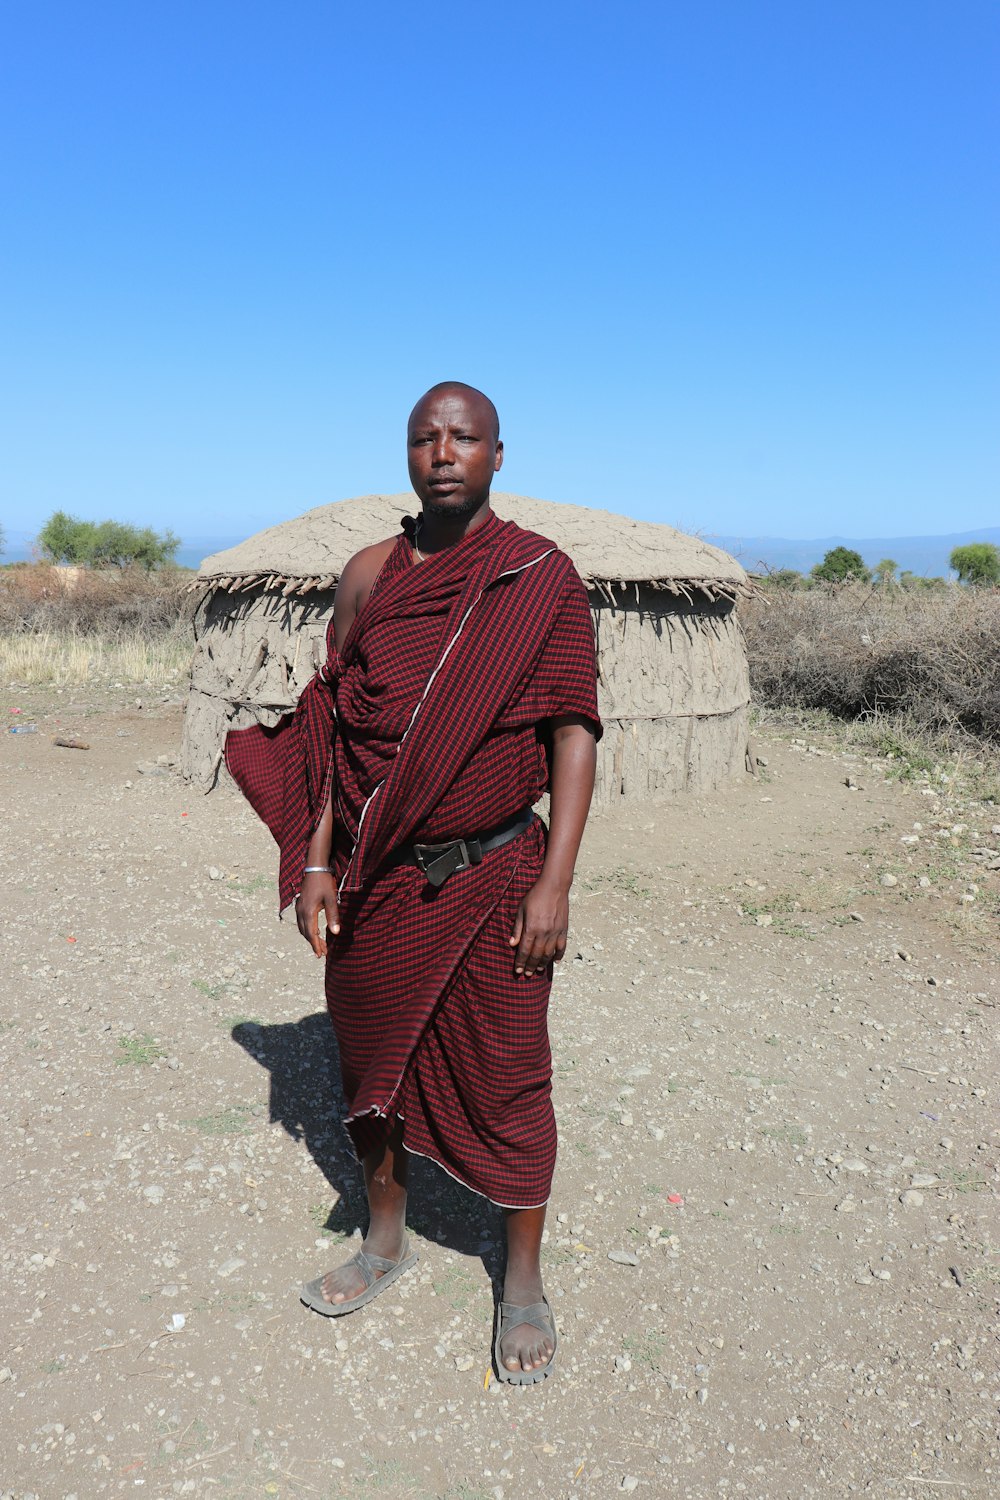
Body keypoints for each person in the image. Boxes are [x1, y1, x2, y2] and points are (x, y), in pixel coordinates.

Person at [226, 382, 600, 1383]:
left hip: (495, 874)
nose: (443, 453)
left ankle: (519, 1279)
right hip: (373, 878)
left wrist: (553, 882)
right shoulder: (366, 577)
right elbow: (330, 733)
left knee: (511, 1076)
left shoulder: (538, 577)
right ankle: (383, 1240)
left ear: (497, 455)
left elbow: (572, 732)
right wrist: (313, 863)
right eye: (424, 438)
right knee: (368, 1074)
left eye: (463, 438)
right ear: (406, 453)